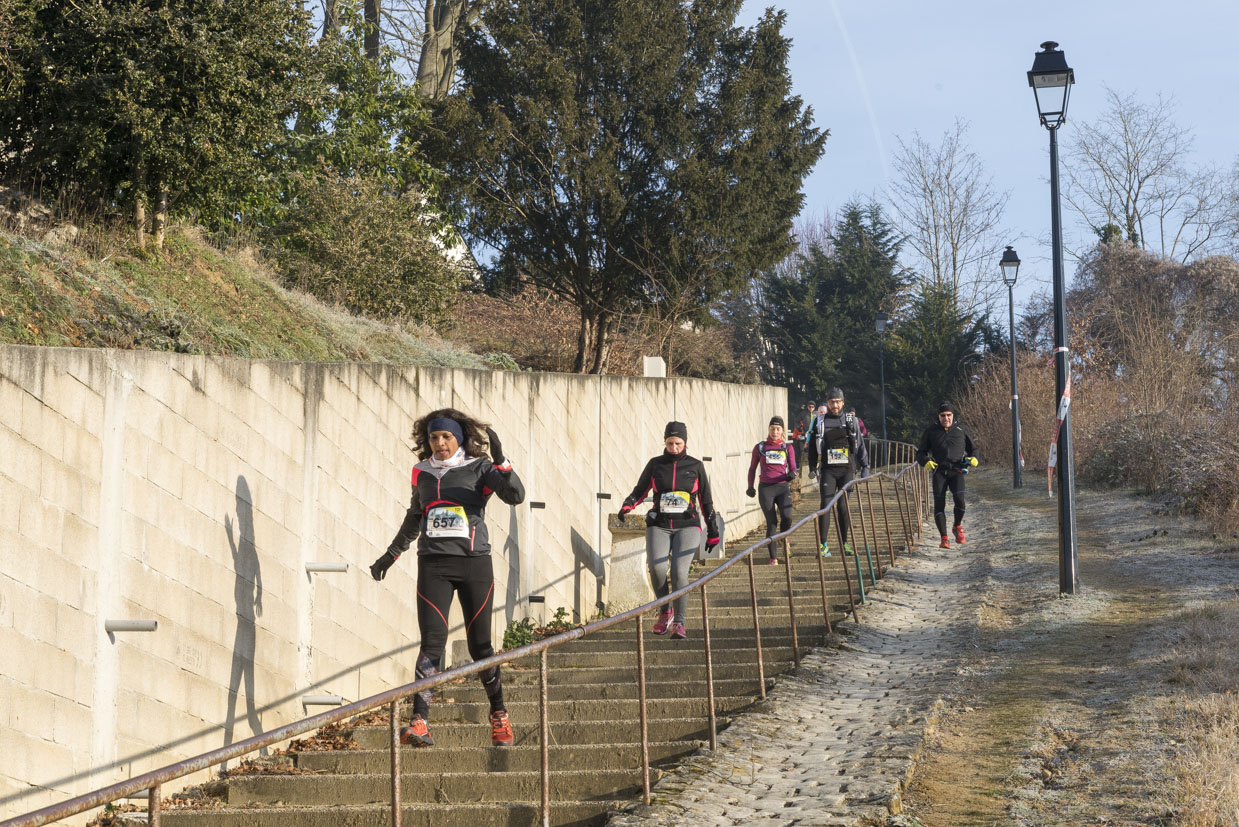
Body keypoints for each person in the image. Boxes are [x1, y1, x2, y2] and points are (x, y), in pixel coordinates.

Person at [370, 408, 526, 748]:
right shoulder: (421, 472)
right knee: (432, 643)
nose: (439, 444)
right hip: (433, 565)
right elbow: (416, 515)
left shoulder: (480, 467)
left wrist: (502, 463)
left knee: (480, 646)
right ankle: (420, 720)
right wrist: (391, 554)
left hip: (474, 564)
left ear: (459, 439)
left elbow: (515, 496)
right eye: (433, 438)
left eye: (446, 437)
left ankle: (499, 715)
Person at [619, 421, 720, 640]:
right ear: (664, 442)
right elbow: (641, 489)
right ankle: (666, 611)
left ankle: (680, 623)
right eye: (670, 443)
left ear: (685, 443)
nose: (674, 448)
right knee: (656, 568)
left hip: (687, 525)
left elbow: (706, 501)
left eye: (678, 443)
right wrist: (627, 505)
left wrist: (712, 532)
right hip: (660, 525)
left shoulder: (695, 466)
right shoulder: (655, 464)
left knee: (678, 571)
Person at [814, 388, 869, 557]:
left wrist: (865, 466)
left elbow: (859, 445)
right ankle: (823, 545)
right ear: (828, 403)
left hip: (846, 470)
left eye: (838, 402)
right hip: (828, 471)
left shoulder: (851, 420)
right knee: (825, 505)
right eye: (832, 402)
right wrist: (811, 467)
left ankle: (845, 543)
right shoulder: (820, 422)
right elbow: (812, 448)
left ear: (843, 403)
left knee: (843, 507)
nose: (835, 405)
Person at [916, 401, 979, 549]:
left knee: (960, 500)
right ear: (938, 416)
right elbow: (920, 452)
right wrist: (925, 461)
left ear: (953, 415)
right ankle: (944, 538)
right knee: (939, 505)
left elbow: (973, 449)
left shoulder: (961, 429)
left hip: (957, 471)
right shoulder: (931, 431)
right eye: (943, 415)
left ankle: (957, 526)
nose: (946, 418)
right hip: (939, 472)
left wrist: (974, 458)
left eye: (949, 415)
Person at [746, 416, 798, 565]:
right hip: (766, 489)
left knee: (787, 517)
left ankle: (783, 537)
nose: (775, 432)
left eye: (778, 429)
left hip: (782, 487)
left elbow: (793, 467)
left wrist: (792, 474)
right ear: (768, 429)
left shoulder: (787, 448)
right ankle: (773, 558)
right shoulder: (760, 447)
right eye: (772, 429)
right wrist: (750, 486)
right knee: (772, 522)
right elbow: (752, 468)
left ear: (782, 431)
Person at [805, 403, 828, 481]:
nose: (822, 414)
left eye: (824, 412)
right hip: (816, 439)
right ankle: (812, 470)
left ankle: (821, 471)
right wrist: (807, 442)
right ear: (818, 412)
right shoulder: (814, 420)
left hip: (826, 440)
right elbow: (810, 431)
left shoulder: (830, 419)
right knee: (812, 453)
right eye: (821, 412)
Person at [792, 401, 815, 478]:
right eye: (809, 407)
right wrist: (799, 428)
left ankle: (811, 467)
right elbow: (796, 421)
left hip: (813, 435)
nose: (811, 408)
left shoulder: (816, 414)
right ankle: (800, 467)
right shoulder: (803, 414)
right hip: (804, 434)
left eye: (812, 407)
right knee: (802, 450)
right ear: (807, 407)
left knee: (812, 450)